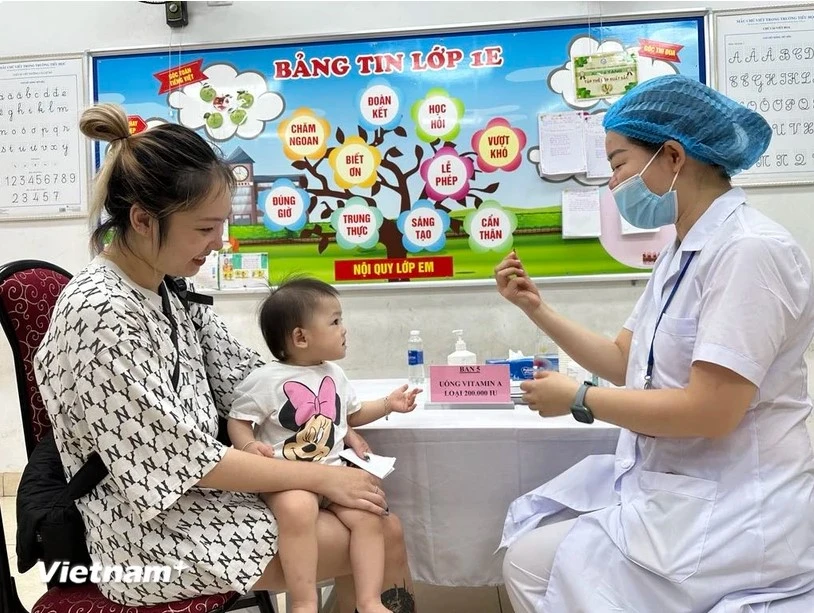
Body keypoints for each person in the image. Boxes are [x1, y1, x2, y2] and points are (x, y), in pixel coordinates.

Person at [33, 103, 417, 613]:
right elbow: (178, 461)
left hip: (198, 500)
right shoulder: (101, 313)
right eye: (204, 229)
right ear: (143, 220)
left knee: (376, 519)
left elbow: (249, 380)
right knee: (379, 534)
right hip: (144, 537)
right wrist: (320, 474)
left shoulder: (168, 290)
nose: (220, 243)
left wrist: (332, 417)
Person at [494, 74, 814, 612]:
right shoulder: (681, 251)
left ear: (671, 156)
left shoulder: (749, 252)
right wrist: (536, 309)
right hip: (681, 489)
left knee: (537, 566)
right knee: (529, 555)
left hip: (740, 510)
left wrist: (580, 400)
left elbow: (711, 410)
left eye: (618, 164)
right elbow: (625, 361)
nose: (614, 184)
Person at [227, 277, 420, 613]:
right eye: (334, 321)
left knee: (368, 514)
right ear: (301, 337)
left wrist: (389, 404)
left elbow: (353, 415)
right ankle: (303, 601)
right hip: (287, 480)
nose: (343, 329)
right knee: (298, 509)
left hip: (333, 475)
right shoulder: (266, 379)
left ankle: (369, 599)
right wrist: (246, 446)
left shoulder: (334, 374)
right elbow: (238, 419)